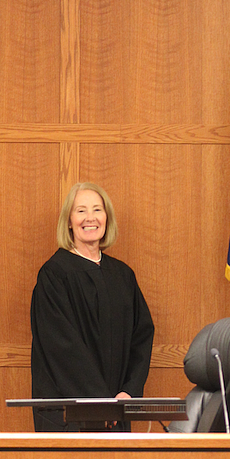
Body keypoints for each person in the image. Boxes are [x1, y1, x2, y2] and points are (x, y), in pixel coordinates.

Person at [30, 182, 154, 432]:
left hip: (116, 409)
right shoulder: (54, 275)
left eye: (97, 210)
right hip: (70, 412)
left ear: (107, 218)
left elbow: (141, 336)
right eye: (81, 211)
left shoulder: (122, 276)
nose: (90, 218)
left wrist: (128, 391)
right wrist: (99, 400)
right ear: (68, 220)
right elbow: (62, 347)